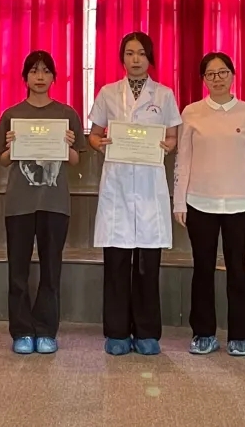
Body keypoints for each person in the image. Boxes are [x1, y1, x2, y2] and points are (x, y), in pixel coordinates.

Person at [87, 32, 181, 356]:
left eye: (141, 53)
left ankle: (146, 333)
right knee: (116, 264)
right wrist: (101, 144)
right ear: (122, 58)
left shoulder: (164, 95)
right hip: (117, 187)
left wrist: (167, 146)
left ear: (150, 57)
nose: (136, 59)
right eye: (129, 53)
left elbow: (172, 136)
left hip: (149, 186)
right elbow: (94, 134)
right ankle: (116, 333)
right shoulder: (108, 93)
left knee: (147, 265)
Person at [0, 51, 87, 355]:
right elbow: (3, 161)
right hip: (19, 203)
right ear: (25, 77)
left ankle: (46, 330)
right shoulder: (12, 114)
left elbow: (75, 160)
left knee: (51, 270)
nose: (40, 77)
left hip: (55, 203)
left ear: (54, 77)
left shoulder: (67, 114)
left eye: (46, 71)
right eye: (34, 71)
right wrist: (12, 147)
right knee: (17, 271)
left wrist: (67, 145)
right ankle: (21, 331)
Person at [173, 52, 245, 358]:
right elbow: (183, 160)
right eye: (211, 74)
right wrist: (179, 200)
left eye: (223, 72)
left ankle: (240, 335)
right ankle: (203, 333)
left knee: (236, 268)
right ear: (203, 80)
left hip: (238, 203)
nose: (217, 78)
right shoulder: (191, 112)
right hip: (199, 202)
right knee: (202, 269)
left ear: (233, 75)